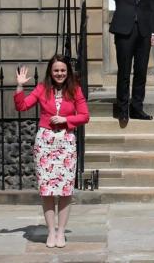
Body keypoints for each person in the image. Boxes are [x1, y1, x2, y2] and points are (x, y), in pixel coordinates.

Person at [15, 55, 90, 249]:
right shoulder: (42, 89)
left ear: (68, 71)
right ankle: (51, 232)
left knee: (65, 190)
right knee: (47, 190)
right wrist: (20, 86)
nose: (59, 73)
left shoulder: (75, 90)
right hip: (45, 142)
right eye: (56, 70)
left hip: (66, 142)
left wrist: (66, 120)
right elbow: (21, 106)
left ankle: (61, 232)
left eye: (63, 70)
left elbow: (85, 116)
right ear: (50, 71)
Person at [104, 0, 154, 122]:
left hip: (144, 31)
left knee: (141, 72)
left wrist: (153, 31)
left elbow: (151, 8)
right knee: (124, 71)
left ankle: (137, 108)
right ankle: (123, 109)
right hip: (124, 30)